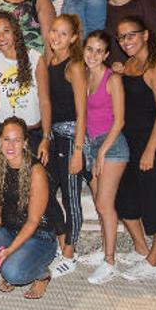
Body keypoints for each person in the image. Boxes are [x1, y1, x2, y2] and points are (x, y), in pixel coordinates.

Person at [114, 16, 156, 281]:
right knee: (124, 202)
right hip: (129, 143)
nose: (126, 41)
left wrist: (150, 150)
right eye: (122, 37)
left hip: (154, 144)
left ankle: (153, 262)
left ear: (146, 35)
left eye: (131, 35)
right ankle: (142, 249)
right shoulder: (130, 63)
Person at [0, 117, 62, 299]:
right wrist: (1, 235)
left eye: (17, 140)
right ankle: (17, 260)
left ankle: (41, 274)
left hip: (39, 235)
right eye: (6, 139)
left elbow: (33, 221)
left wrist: (8, 251)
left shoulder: (36, 172)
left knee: (12, 273)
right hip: (11, 229)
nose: (11, 145)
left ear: (25, 143)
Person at [80, 31, 129, 285]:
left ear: (107, 54)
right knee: (100, 204)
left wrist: (101, 152)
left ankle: (110, 260)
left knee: (104, 205)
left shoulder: (113, 79)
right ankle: (104, 249)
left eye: (99, 51)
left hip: (111, 145)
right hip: (90, 144)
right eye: (89, 49)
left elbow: (120, 121)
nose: (93, 55)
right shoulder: (83, 75)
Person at [46, 14, 87, 279]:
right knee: (44, 193)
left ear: (73, 38)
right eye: (53, 31)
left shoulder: (74, 66)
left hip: (72, 138)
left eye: (63, 33)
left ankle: (70, 255)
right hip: (53, 138)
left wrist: (79, 150)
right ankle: (62, 240)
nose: (56, 37)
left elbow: (83, 112)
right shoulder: (50, 61)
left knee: (71, 198)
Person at [0, 11, 51, 158]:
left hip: (31, 132)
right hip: (1, 130)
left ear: (15, 31)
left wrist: (46, 137)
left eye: (6, 31)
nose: (1, 37)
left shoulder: (36, 58)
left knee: (32, 178)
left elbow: (45, 101)